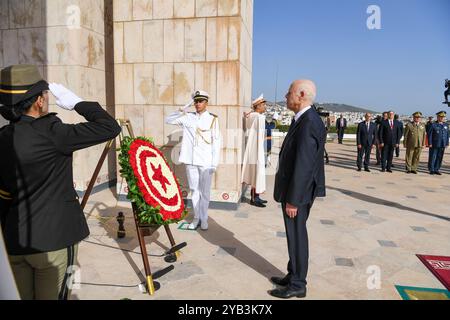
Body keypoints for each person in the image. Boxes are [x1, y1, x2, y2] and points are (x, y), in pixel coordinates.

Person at [0, 64, 121, 300]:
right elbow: (109, 127)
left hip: (15, 242)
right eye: (45, 93)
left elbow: (4, 194)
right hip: (53, 242)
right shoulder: (53, 133)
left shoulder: (4, 138)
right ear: (38, 101)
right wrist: (78, 103)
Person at [271, 79, 326, 299]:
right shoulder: (304, 119)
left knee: (297, 236)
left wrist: (293, 199)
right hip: (296, 190)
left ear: (301, 94)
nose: (286, 96)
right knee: (294, 234)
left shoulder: (309, 121)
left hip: (298, 193)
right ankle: (293, 272)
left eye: (289, 92)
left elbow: (304, 165)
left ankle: (298, 284)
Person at [165, 90, 221, 230]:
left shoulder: (213, 119)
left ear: (206, 103)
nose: (197, 104)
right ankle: (196, 218)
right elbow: (168, 120)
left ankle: (204, 218)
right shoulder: (187, 117)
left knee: (205, 192)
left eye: (200, 101)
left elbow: (217, 142)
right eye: (195, 101)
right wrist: (183, 108)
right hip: (190, 159)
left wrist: (214, 163)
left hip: (206, 161)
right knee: (194, 190)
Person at [242, 94, 267, 208]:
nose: (265, 106)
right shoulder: (259, 117)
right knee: (257, 172)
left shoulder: (251, 115)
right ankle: (254, 198)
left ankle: (256, 196)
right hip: (257, 148)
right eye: (263, 104)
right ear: (258, 106)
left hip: (252, 147)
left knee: (256, 172)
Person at [427, 111, 449, 175]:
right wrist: (430, 143)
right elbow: (430, 135)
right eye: (441, 117)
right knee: (433, 156)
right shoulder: (433, 124)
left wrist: (447, 143)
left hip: (442, 144)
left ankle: (437, 169)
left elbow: (447, 135)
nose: (442, 118)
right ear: (438, 117)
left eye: (443, 117)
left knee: (440, 157)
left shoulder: (446, 125)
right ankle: (431, 169)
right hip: (434, 143)